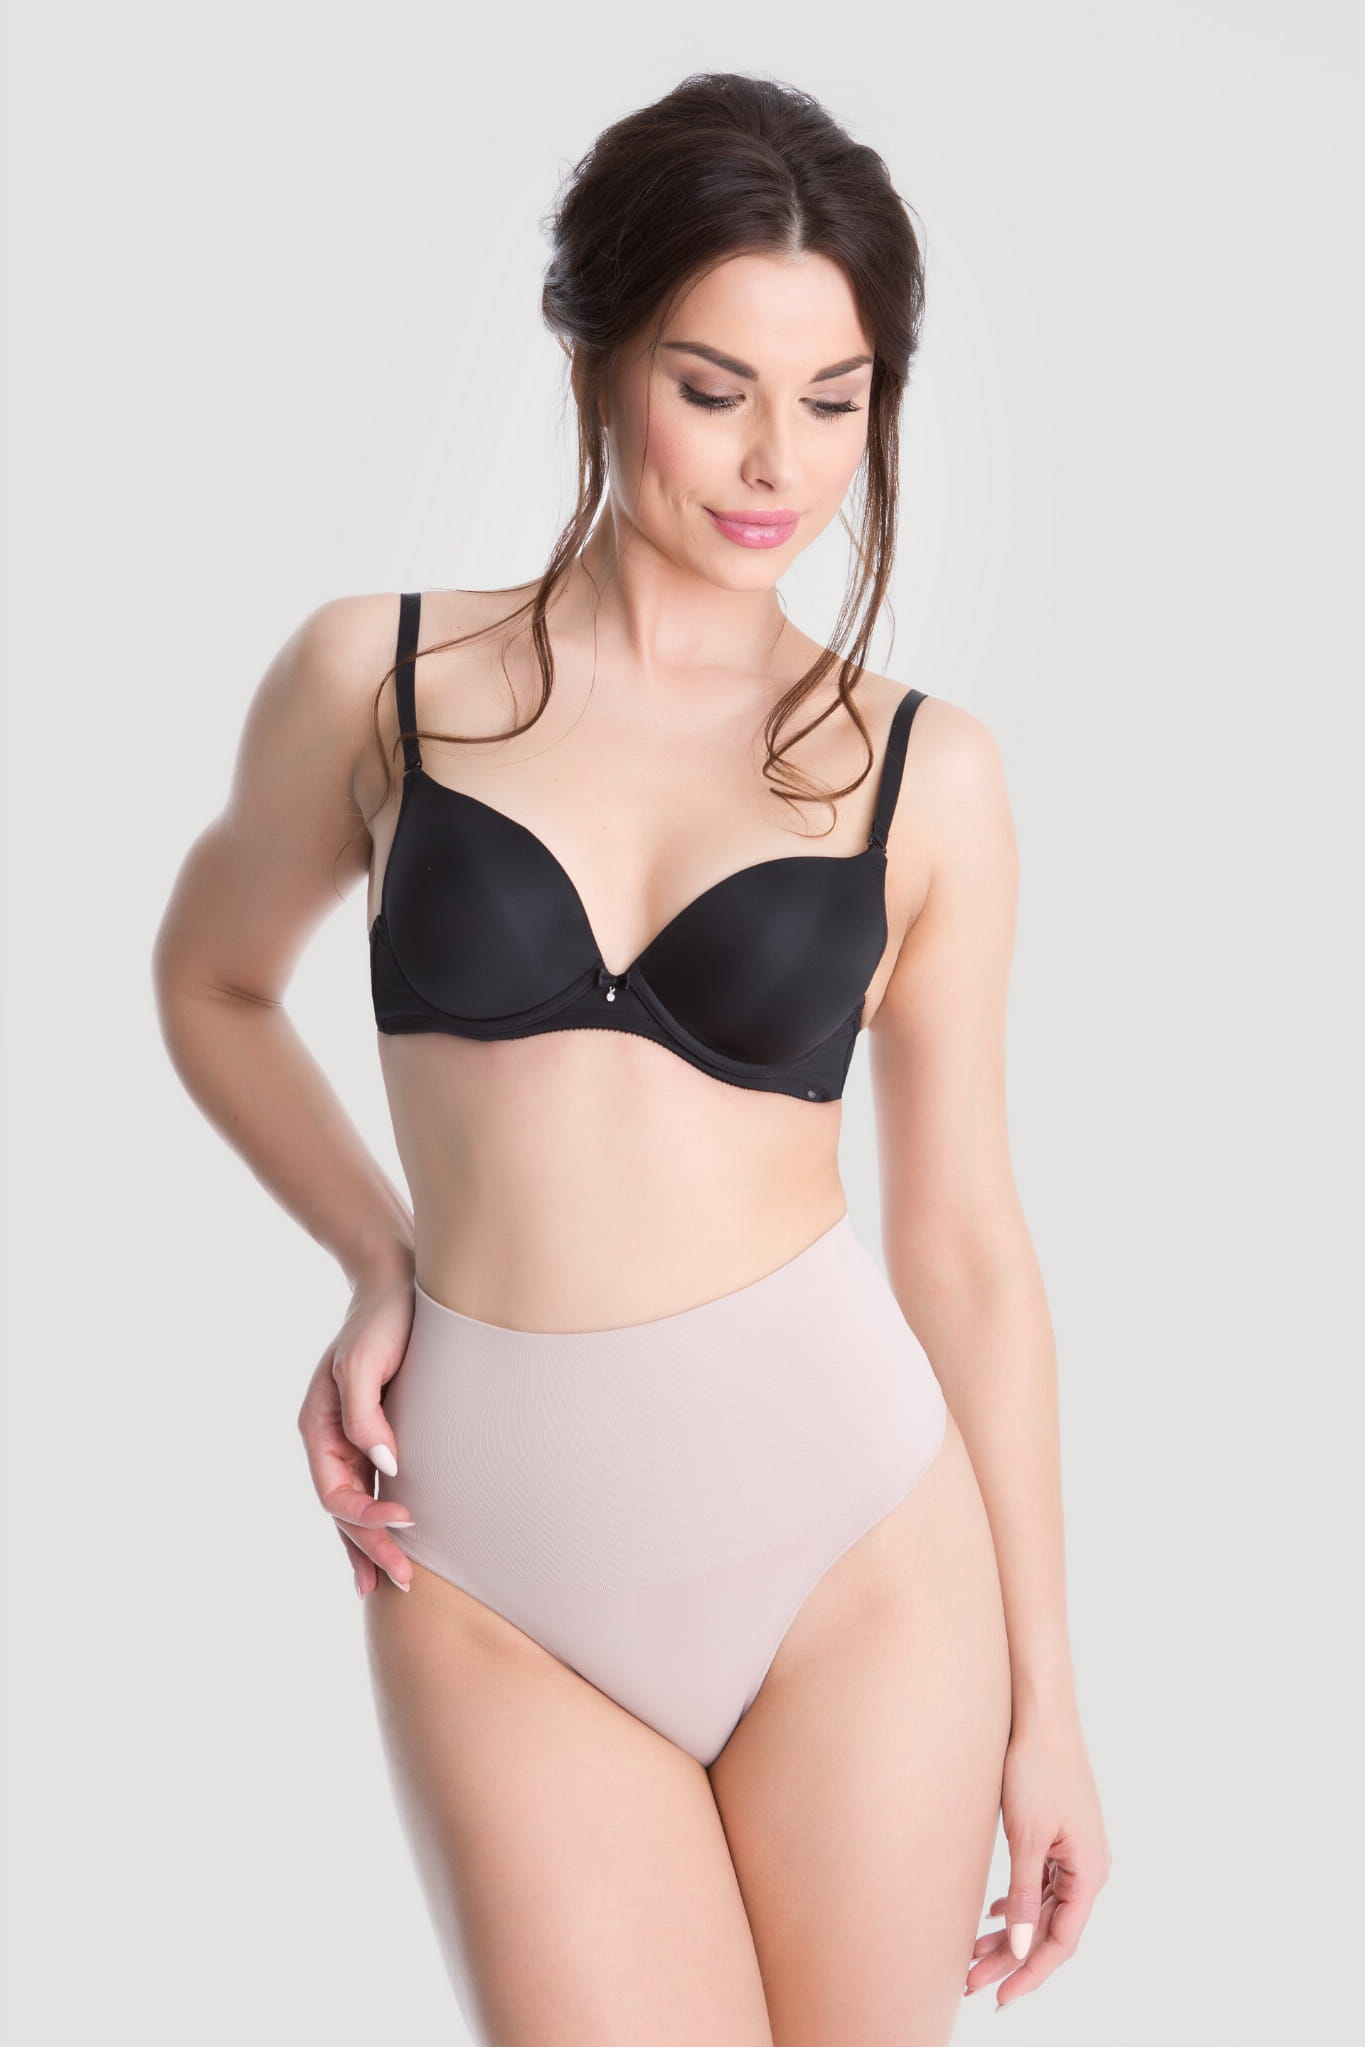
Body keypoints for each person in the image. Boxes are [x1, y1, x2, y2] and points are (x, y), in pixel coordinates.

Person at [152, 69, 1109, 2047]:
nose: (777, 463)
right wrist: (375, 1251)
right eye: (714, 388)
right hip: (486, 1567)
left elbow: (964, 1249)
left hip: (856, 1552)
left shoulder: (924, 775)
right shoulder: (381, 680)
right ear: (595, 362)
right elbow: (211, 983)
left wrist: (1047, 1701)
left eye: (833, 401)